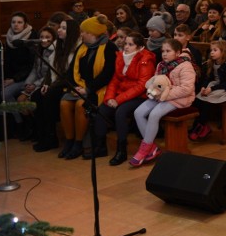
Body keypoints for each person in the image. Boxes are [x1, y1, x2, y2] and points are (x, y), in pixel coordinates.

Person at [58, 15, 118, 160]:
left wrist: (88, 89)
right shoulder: (82, 47)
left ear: (92, 33)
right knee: (64, 103)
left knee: (80, 105)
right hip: (80, 87)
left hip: (98, 88)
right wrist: (76, 86)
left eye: (84, 31)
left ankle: (79, 143)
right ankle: (69, 141)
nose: (81, 34)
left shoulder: (109, 47)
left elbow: (107, 74)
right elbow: (72, 70)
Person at [130, 38, 197, 166]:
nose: (164, 54)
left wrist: (164, 96)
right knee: (138, 112)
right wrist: (153, 90)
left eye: (168, 51)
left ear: (178, 53)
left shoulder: (186, 65)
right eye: (163, 51)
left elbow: (186, 89)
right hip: (161, 96)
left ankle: (144, 150)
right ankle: (152, 147)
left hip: (181, 99)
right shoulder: (161, 65)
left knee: (154, 114)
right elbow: (156, 81)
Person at [95, 32, 155, 165]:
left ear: (139, 47)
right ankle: (100, 147)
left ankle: (121, 151)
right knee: (101, 110)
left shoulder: (146, 59)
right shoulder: (121, 57)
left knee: (120, 113)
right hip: (122, 95)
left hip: (140, 96)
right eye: (125, 43)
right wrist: (110, 97)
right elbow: (115, 79)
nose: (126, 47)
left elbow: (141, 86)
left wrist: (118, 100)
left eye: (130, 44)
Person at [32, 19, 81, 152]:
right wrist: (45, 84)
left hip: (70, 84)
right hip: (56, 83)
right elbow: (50, 71)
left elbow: (68, 75)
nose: (59, 30)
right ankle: (43, 135)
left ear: (71, 32)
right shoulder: (58, 47)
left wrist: (51, 86)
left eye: (63, 28)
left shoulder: (77, 48)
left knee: (49, 96)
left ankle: (51, 137)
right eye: (60, 27)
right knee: (36, 95)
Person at [189, 39, 226, 141]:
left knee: (206, 102)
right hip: (214, 85)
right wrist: (204, 87)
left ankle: (199, 127)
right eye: (211, 50)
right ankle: (199, 126)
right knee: (199, 100)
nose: (212, 52)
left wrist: (211, 89)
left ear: (223, 51)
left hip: (225, 88)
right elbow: (208, 78)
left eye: (215, 50)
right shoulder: (212, 63)